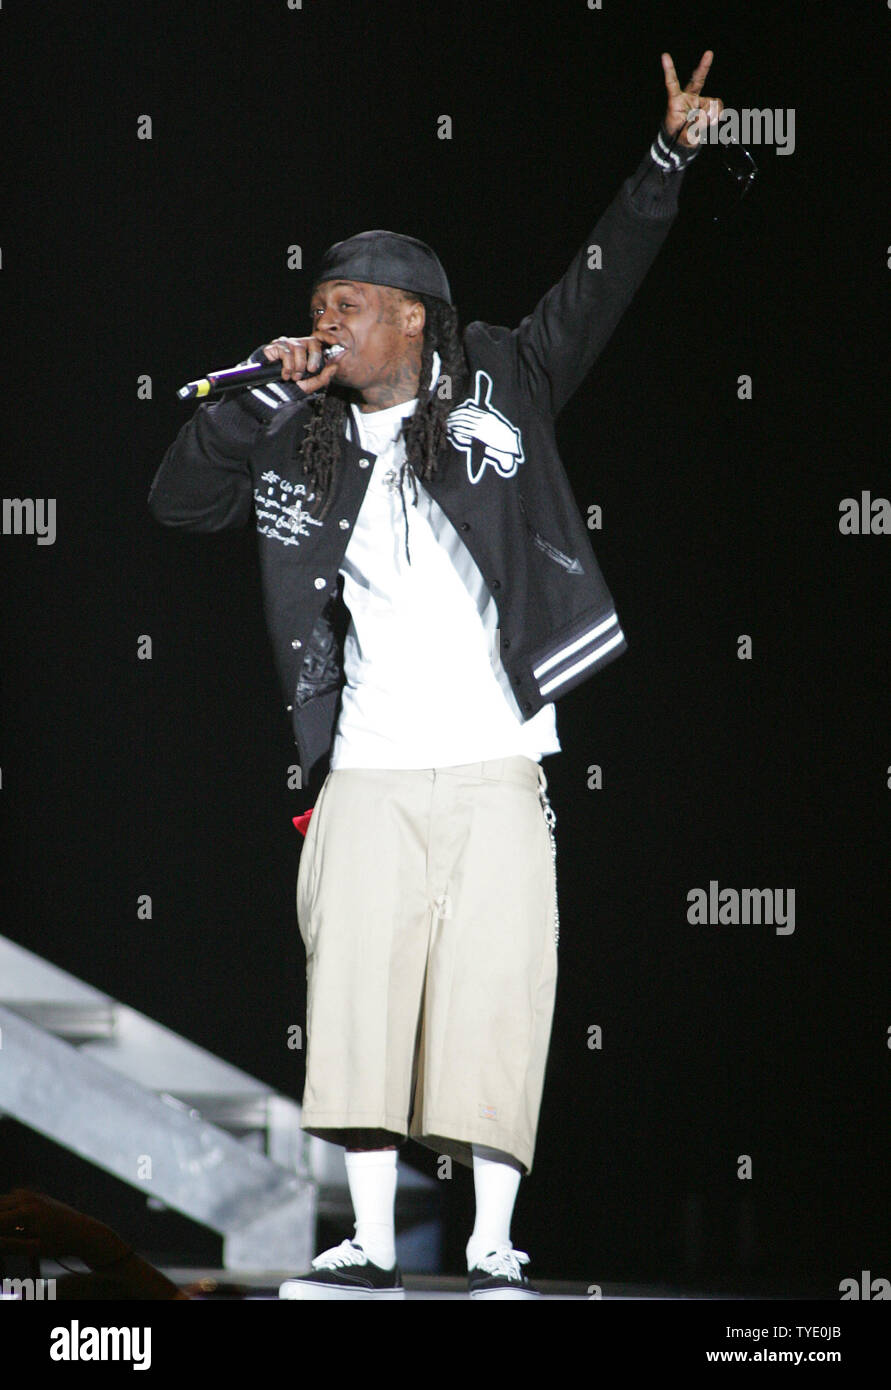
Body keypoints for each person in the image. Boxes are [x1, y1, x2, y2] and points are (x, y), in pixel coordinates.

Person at [149, 52, 721, 1299]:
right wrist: (250, 403)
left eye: (350, 301)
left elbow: (599, 287)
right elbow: (176, 499)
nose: (328, 319)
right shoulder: (295, 438)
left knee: (496, 990)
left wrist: (665, 160)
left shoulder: (504, 375)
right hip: (366, 763)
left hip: (497, 755)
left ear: (415, 316)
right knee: (356, 989)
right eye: (320, 302)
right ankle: (360, 1235)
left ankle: (494, 1239)